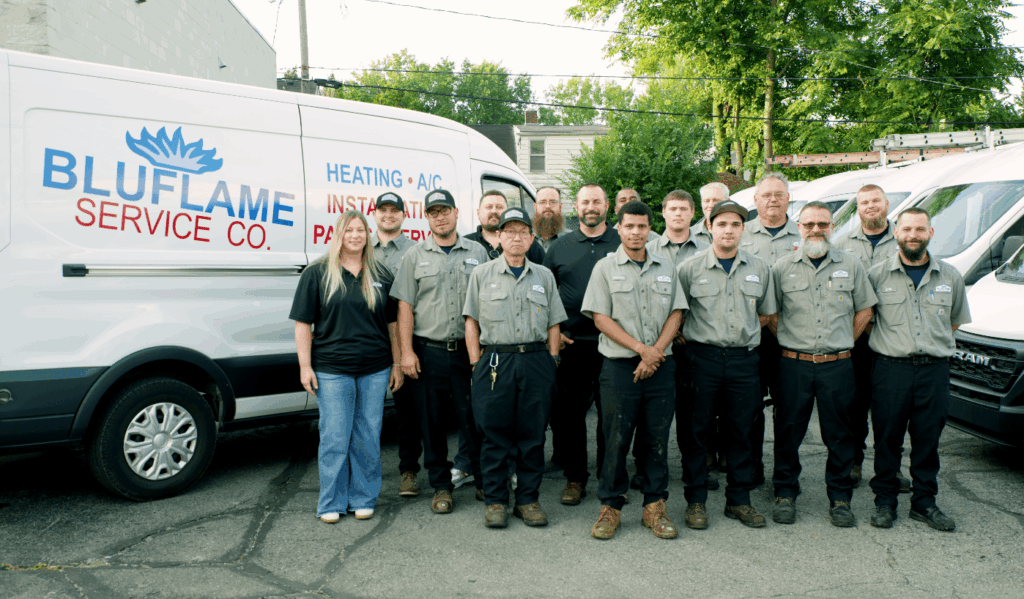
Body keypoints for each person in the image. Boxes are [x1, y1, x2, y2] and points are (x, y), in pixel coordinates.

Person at [583, 200, 687, 540]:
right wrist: (642, 350)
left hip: (660, 367)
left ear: (649, 229)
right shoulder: (605, 268)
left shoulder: (666, 266)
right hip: (619, 368)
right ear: (619, 228)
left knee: (656, 438)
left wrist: (654, 353)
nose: (636, 232)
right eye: (629, 226)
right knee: (616, 438)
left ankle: (654, 506)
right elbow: (600, 318)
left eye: (642, 226)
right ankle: (610, 506)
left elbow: (676, 312)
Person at [290, 209, 403, 524]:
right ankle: (332, 501)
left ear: (368, 234)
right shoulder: (317, 273)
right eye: (349, 230)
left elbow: (393, 324)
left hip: (375, 368)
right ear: (338, 234)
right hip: (332, 369)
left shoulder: (380, 273)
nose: (355, 235)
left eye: (360, 230)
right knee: (335, 437)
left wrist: (396, 363)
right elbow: (302, 324)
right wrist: (304, 366)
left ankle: (363, 498)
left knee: (367, 435)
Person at [768, 201, 877, 527]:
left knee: (840, 433)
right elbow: (771, 314)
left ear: (832, 227)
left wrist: (842, 341)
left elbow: (865, 310)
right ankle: (785, 492)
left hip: (837, 365)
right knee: (788, 431)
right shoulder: (781, 267)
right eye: (809, 224)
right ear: (799, 228)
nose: (816, 229)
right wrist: (792, 339)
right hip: (794, 364)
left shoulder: (851, 264)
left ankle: (840, 498)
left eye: (823, 224)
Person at [867, 208, 970, 531]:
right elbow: (868, 321)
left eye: (920, 229)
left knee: (927, 440)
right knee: (887, 439)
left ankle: (924, 503)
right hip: (891, 370)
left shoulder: (950, 276)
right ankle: (885, 502)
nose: (913, 235)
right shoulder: (876, 275)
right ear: (896, 233)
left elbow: (953, 321)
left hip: (933, 371)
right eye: (907, 229)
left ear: (930, 233)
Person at [464, 207, 567, 528]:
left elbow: (554, 323)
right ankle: (496, 501)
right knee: (494, 434)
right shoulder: (482, 274)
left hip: (536, 360)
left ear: (532, 238)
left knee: (532, 435)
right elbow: (471, 322)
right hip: (496, 360)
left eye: (523, 232)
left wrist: (552, 360)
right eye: (510, 231)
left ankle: (527, 500)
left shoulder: (544, 276)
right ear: (498, 236)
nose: (517, 237)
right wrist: (475, 363)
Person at [676, 200, 776, 529]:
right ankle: (696, 501)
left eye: (735, 224)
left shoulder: (759, 268)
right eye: (721, 224)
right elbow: (677, 314)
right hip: (701, 360)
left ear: (743, 229)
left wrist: (739, 333)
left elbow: (766, 313)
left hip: (743, 361)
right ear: (709, 227)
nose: (728, 230)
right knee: (697, 433)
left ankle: (739, 500)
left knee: (742, 432)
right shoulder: (689, 268)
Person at [390, 189, 489, 514]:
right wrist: (406, 353)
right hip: (428, 352)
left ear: (456, 213)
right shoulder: (414, 256)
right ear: (427, 218)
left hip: (468, 352)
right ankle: (441, 487)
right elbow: (404, 307)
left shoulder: (477, 252)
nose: (440, 217)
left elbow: (489, 299)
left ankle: (484, 480)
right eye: (434, 212)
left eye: (445, 210)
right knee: (431, 423)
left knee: (473, 418)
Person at [543, 183, 621, 508]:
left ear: (607, 206)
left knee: (611, 414)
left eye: (596, 201)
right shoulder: (559, 247)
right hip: (572, 344)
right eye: (585, 202)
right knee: (571, 416)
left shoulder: (621, 242)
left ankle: (609, 475)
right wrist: (554, 333)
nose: (591, 207)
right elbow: (544, 294)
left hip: (614, 345)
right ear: (576, 207)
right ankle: (575, 478)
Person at [628, 190, 706, 490]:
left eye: (684, 209)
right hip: (655, 347)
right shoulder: (647, 248)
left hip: (693, 344)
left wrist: (680, 329)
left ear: (692, 213)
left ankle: (694, 468)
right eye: (672, 209)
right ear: (663, 213)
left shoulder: (707, 249)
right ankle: (643, 466)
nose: (678, 214)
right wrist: (666, 337)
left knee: (693, 411)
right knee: (647, 412)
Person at [833, 184, 909, 492]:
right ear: (858, 208)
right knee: (854, 404)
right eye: (864, 202)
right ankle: (853, 461)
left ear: (887, 204)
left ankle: (890, 467)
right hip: (857, 338)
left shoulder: (904, 239)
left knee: (891, 408)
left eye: (876, 200)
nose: (870, 206)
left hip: (893, 337)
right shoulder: (841, 244)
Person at [741, 172, 803, 486]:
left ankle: (785, 470)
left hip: (791, 336)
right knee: (749, 406)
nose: (773, 200)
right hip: (752, 334)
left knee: (788, 408)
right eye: (766, 195)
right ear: (756, 200)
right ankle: (752, 464)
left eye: (779, 194)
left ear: (788, 198)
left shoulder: (803, 234)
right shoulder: (741, 234)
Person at [369, 192, 421, 499]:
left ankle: (408, 471)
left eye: (394, 210)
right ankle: (362, 473)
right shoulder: (361, 248)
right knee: (365, 415)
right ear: (374, 213)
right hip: (368, 342)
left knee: (406, 413)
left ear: (404, 215)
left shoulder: (416, 251)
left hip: (403, 340)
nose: (388, 215)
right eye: (383, 210)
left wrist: (402, 354)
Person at [466, 190, 546, 263]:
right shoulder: (465, 243)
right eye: (489, 207)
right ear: (478, 213)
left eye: (499, 207)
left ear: (507, 211)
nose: (494, 211)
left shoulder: (527, 243)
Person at [534, 186, 570, 251]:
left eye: (553, 202)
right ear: (535, 207)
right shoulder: (524, 239)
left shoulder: (573, 240)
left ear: (560, 206)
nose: (548, 206)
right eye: (542, 202)